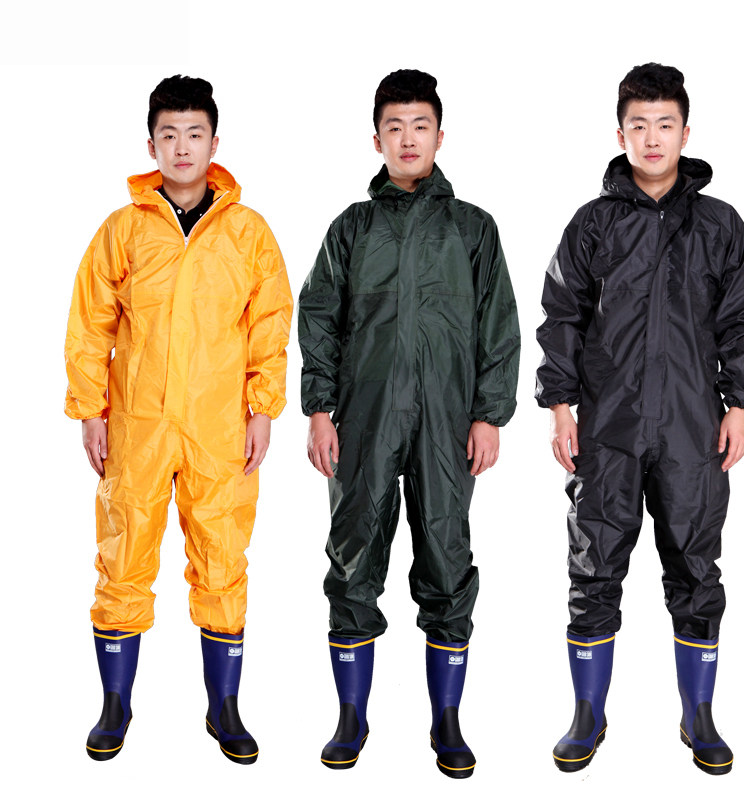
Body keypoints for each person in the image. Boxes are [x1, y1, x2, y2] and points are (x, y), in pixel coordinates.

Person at [536, 63, 744, 775]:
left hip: (693, 426)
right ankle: (587, 713)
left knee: (696, 567)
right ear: (621, 134)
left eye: (665, 123)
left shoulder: (720, 225)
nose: (653, 137)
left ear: (686, 132)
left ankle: (699, 715)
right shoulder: (593, 223)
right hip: (607, 426)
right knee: (594, 565)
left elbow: (742, 320)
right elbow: (562, 315)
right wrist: (560, 406)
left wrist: (741, 404)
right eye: (639, 125)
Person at [298, 69, 520, 779]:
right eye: (394, 127)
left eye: (419, 125)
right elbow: (318, 320)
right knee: (353, 558)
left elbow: (499, 325)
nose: (407, 138)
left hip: (448, 423)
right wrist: (318, 409)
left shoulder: (473, 229)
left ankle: (446, 720)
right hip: (362, 421)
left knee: (448, 557)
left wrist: (489, 415)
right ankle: (351, 716)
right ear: (377, 140)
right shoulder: (351, 228)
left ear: (440, 136)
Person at [64, 75, 293, 764]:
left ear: (215, 143)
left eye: (195, 133)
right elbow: (90, 326)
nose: (183, 146)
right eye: (170, 134)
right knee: (123, 555)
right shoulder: (124, 230)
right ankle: (115, 704)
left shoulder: (248, 233)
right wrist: (90, 409)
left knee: (223, 559)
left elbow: (270, 326)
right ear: (152, 145)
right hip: (137, 424)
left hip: (219, 427)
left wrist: (263, 408)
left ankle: (224, 707)